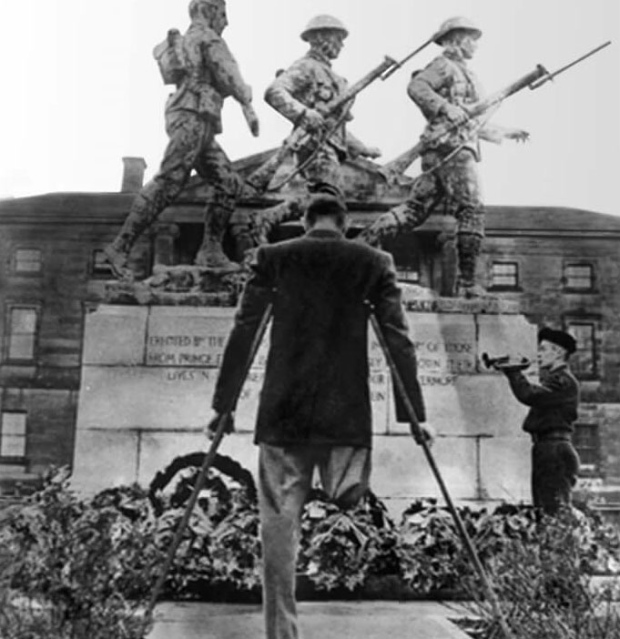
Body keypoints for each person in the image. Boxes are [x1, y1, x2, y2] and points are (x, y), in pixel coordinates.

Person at [207, 187, 430, 639]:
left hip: (283, 415)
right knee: (347, 494)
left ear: (305, 222)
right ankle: (340, 489)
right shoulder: (373, 262)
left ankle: (282, 634)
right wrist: (415, 417)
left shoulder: (274, 256)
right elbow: (397, 340)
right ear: (343, 223)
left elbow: (245, 329)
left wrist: (223, 406)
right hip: (345, 418)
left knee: (278, 528)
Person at [358, 16, 529, 297]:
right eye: (470, 38)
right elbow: (417, 87)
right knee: (471, 210)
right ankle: (467, 284)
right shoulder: (444, 65)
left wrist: (505, 132)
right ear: (454, 40)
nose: (475, 44)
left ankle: (362, 244)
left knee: (414, 210)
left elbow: (470, 120)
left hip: (447, 148)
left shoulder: (466, 72)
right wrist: (446, 108)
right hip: (452, 151)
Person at [104, 0, 259, 279]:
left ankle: (210, 251)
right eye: (223, 14)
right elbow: (230, 78)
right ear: (209, 10)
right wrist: (246, 96)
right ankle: (120, 246)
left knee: (227, 182)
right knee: (171, 179)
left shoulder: (190, 37)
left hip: (196, 118)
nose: (226, 21)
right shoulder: (208, 37)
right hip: (192, 114)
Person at [263, 15, 381, 192]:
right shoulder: (307, 66)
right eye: (338, 38)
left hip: (328, 148)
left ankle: (266, 219)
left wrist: (361, 148)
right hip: (314, 146)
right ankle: (268, 219)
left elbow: (333, 125)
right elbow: (274, 91)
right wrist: (305, 113)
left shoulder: (332, 76)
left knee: (328, 201)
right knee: (328, 201)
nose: (342, 44)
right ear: (320, 38)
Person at [495, 327, 581, 515]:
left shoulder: (562, 380)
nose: (539, 355)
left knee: (553, 512)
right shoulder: (558, 379)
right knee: (546, 510)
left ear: (558, 352)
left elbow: (529, 395)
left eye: (543, 350)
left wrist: (513, 371)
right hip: (549, 448)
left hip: (553, 449)